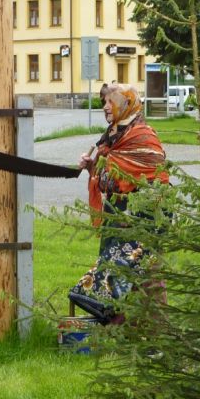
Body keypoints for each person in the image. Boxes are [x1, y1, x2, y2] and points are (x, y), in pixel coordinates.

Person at [69, 83, 169, 324]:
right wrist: (92, 167)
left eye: (109, 102)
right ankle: (120, 328)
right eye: (104, 102)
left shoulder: (143, 136)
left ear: (126, 103)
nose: (105, 107)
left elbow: (148, 175)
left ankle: (157, 333)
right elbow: (111, 178)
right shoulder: (113, 134)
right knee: (117, 272)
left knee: (148, 274)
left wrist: (103, 168)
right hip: (117, 213)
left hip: (144, 216)